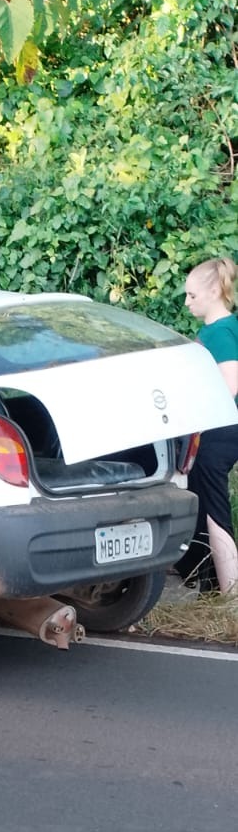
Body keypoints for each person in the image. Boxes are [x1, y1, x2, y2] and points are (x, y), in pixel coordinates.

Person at [182, 255, 238, 595]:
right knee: (203, 498)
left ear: (214, 290)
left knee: (213, 507)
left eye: (192, 295)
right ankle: (211, 582)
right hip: (225, 429)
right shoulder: (227, 328)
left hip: (220, 431)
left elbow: (231, 382)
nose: (187, 302)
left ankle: (230, 593)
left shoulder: (218, 331)